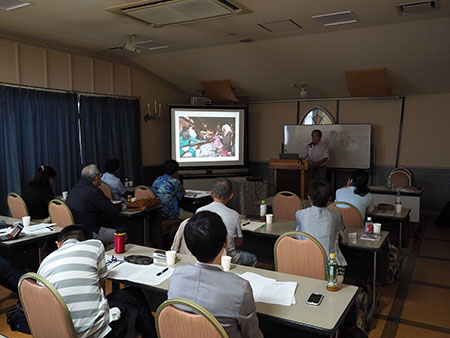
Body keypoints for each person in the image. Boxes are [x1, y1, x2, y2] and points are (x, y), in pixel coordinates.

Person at [38, 225, 155, 338]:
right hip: (94, 332)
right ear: (86, 241)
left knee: (128, 298)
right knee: (135, 297)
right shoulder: (95, 245)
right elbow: (101, 290)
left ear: (58, 244)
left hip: (60, 330)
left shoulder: (44, 263)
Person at [168, 211, 263, 338]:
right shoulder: (240, 289)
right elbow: (252, 335)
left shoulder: (177, 276)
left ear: (189, 247)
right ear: (226, 242)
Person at [196, 178, 257, 267]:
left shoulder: (199, 211)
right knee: (253, 258)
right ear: (231, 196)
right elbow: (239, 242)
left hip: (205, 257)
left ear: (211, 193)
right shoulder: (234, 215)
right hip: (229, 258)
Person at [295, 178, 347, 267]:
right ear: (329, 199)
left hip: (304, 261)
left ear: (309, 198)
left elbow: (297, 235)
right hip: (329, 264)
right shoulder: (336, 215)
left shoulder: (300, 214)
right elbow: (344, 237)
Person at [66, 164, 122, 243]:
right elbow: (112, 209)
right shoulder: (94, 191)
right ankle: (105, 253)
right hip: (89, 231)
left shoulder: (76, 188)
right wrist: (121, 206)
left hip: (74, 230)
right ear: (96, 178)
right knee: (121, 236)